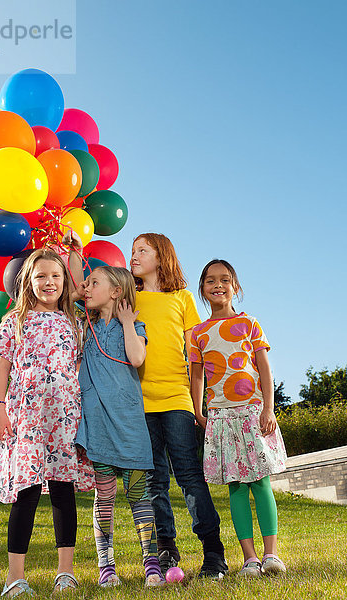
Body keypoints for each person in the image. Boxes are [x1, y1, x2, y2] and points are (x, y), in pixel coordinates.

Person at [0, 248, 95, 598]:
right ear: (27, 282)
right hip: (26, 416)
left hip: (64, 417)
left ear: (65, 282)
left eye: (56, 276)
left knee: (63, 492)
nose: (49, 282)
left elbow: (78, 368)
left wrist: (76, 256)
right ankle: (14, 578)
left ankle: (66, 573)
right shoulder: (14, 321)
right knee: (27, 493)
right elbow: (2, 368)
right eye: (40, 276)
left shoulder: (74, 322)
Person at [129, 234, 228, 578]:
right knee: (154, 481)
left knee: (188, 475)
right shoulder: (129, 297)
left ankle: (213, 552)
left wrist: (202, 403)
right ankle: (166, 549)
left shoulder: (182, 298)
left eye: (142, 250)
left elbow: (196, 354)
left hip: (177, 398)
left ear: (162, 256)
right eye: (133, 251)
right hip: (139, 402)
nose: (135, 256)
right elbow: (87, 293)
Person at [189, 259, 288, 577]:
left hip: (252, 414)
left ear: (236, 287)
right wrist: (198, 412)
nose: (217, 285)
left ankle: (271, 555)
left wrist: (268, 408)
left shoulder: (250, 324)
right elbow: (197, 377)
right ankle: (250, 558)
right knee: (235, 487)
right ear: (203, 289)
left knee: (261, 483)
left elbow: (265, 370)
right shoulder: (198, 334)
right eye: (210, 280)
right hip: (220, 418)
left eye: (225, 279)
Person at [74, 266, 164, 587]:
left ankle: (151, 564)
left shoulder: (135, 325)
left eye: (95, 283)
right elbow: (74, 283)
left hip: (128, 425)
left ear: (115, 292)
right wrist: (73, 249)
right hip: (97, 426)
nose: (87, 288)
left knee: (139, 494)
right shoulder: (85, 324)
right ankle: (106, 565)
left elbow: (137, 358)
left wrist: (127, 323)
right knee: (105, 496)